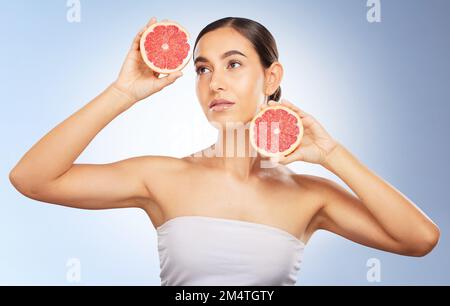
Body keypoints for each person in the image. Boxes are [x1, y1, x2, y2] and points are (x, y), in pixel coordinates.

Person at [9, 16, 440, 286]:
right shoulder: (162, 177)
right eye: (202, 69)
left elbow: (420, 239)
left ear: (271, 78)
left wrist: (330, 153)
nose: (214, 82)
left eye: (233, 64)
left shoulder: (312, 195)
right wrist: (123, 91)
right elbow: (32, 178)